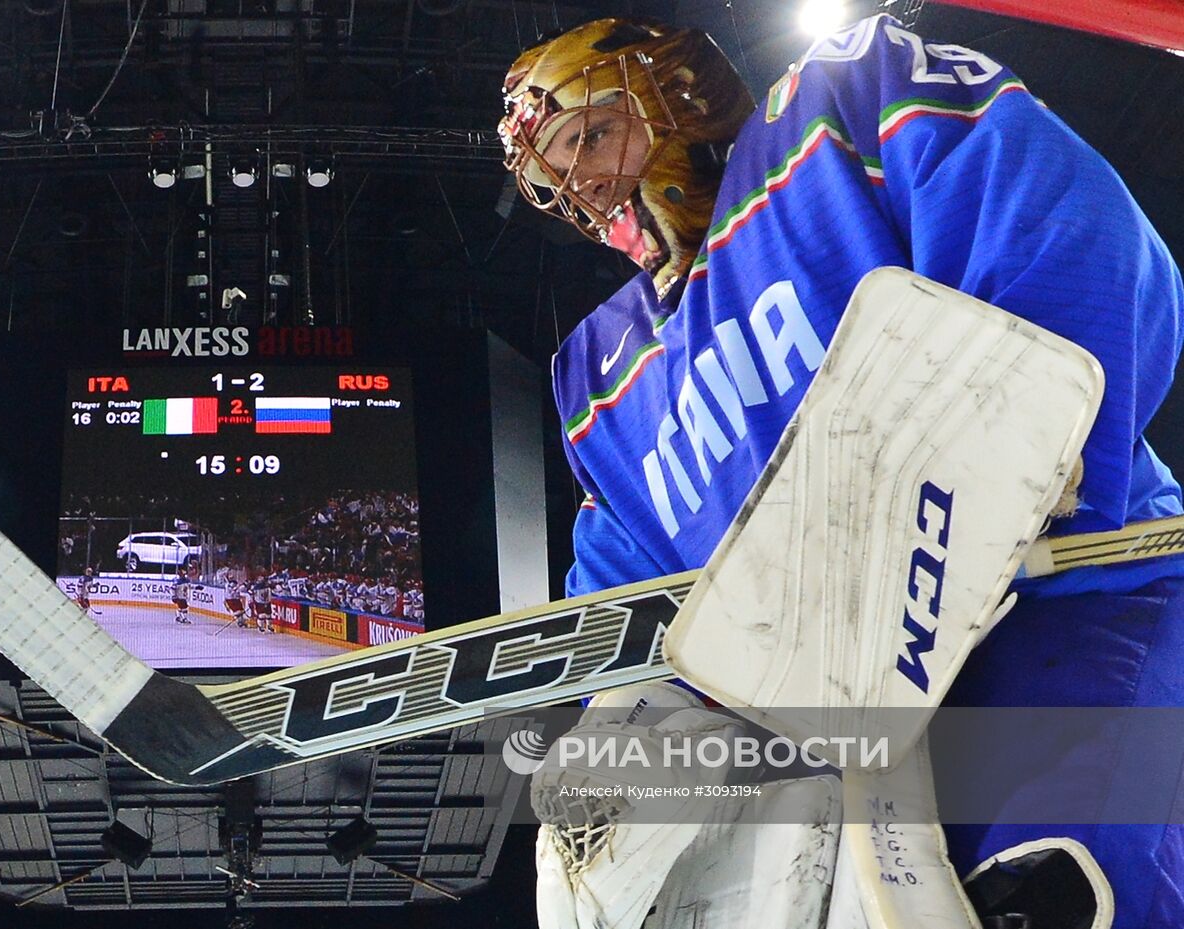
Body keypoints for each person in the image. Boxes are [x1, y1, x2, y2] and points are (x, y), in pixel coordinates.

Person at [499, 14, 1184, 929]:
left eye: (589, 134)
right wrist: (619, 723)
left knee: (1059, 890)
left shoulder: (840, 96)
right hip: (845, 727)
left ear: (677, 90)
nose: (584, 182)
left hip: (1063, 604)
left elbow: (1062, 223)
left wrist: (1021, 482)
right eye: (557, 175)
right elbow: (634, 595)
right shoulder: (598, 372)